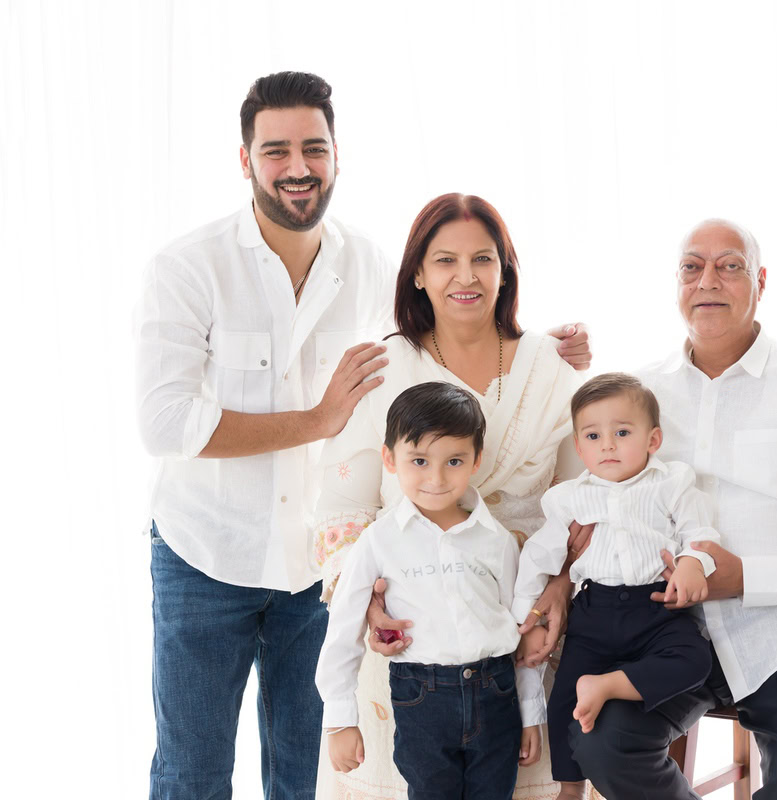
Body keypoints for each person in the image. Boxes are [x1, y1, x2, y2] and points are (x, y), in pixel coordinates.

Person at [135, 73, 589, 800]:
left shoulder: (368, 266)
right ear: (244, 158)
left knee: (307, 772)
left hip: (314, 573)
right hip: (207, 554)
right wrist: (317, 421)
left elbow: (451, 321)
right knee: (192, 771)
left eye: (313, 148)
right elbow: (165, 424)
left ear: (337, 156)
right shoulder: (189, 268)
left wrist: (555, 352)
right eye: (276, 149)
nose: (297, 167)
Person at [526, 219, 777, 800]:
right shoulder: (635, 395)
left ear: (759, 281)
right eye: (692, 267)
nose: (708, 280)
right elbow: (585, 511)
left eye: (729, 266)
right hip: (663, 635)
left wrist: (749, 578)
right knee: (601, 744)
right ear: (676, 282)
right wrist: (557, 581)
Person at [312, 193, 591, 799]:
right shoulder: (380, 370)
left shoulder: (552, 370)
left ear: (505, 268)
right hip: (405, 646)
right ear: (416, 272)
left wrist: (557, 591)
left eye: (482, 259)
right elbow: (340, 515)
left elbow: (588, 507)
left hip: (524, 634)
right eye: (444, 260)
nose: (465, 277)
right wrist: (367, 604)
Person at [316, 381, 544, 799]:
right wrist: (340, 720)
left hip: (497, 693)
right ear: (390, 458)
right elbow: (343, 629)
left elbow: (523, 632)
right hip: (422, 697)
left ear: (476, 460)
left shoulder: (496, 541)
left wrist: (530, 713)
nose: (436, 479)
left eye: (453, 460)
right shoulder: (378, 541)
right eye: (419, 460)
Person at [513, 373, 719, 800]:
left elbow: (699, 531)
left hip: (657, 608)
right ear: (579, 445)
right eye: (593, 435)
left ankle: (610, 684)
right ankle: (570, 788)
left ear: (653, 439)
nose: (607, 444)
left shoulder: (671, 483)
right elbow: (539, 557)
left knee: (694, 659)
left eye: (622, 432)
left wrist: (693, 562)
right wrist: (527, 616)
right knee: (563, 697)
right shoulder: (569, 499)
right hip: (595, 612)